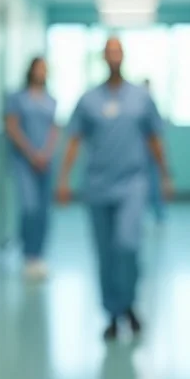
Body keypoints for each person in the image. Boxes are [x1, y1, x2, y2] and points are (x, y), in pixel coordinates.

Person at [56, 38, 173, 341]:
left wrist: (165, 175)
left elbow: (155, 139)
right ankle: (111, 312)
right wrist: (64, 179)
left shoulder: (141, 98)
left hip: (132, 183)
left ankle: (129, 303)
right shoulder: (88, 100)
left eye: (118, 52)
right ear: (103, 59)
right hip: (97, 185)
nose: (113, 57)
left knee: (128, 245)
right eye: (109, 53)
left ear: (124, 57)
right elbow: (74, 140)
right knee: (105, 252)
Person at [5, 56, 58, 280]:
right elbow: (12, 127)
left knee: (44, 211)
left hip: (45, 162)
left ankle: (38, 255)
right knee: (29, 208)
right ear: (31, 70)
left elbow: (55, 129)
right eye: (39, 68)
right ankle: (28, 255)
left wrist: (45, 153)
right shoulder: (18, 98)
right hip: (24, 161)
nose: (42, 72)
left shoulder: (50, 100)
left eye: (45, 69)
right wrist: (31, 153)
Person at [142, 79, 167, 226]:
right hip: (140, 155)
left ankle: (159, 213)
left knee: (155, 185)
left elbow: (157, 136)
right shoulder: (136, 106)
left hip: (151, 156)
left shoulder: (150, 106)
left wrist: (165, 169)